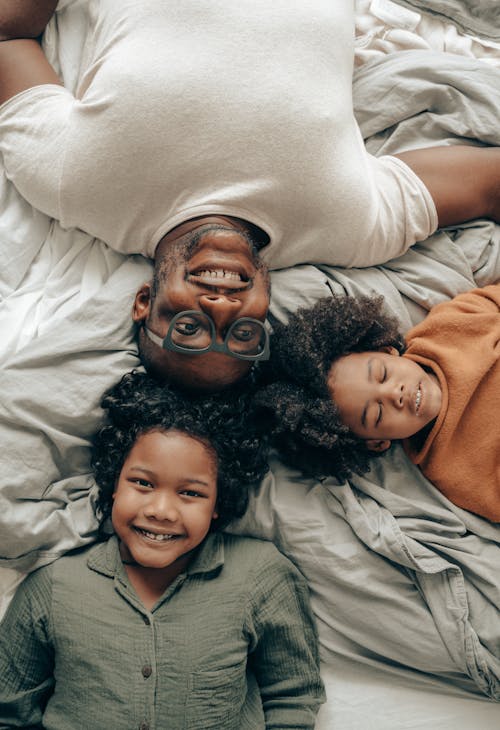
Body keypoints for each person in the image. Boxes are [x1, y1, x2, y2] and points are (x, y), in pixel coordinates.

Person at [1, 1, 500, 391]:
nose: (221, 306)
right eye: (242, 335)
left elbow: (9, 34)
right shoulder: (353, 227)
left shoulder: (74, 186)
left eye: (189, 327)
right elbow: (489, 184)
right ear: (266, 313)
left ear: (145, 301)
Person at [0, 370, 325, 729]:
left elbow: (293, 698)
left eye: (191, 493)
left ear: (218, 501)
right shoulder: (52, 586)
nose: (161, 511)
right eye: (142, 483)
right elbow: (9, 710)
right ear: (113, 484)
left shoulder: (261, 575)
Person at [255, 286, 500, 521]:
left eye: (383, 374)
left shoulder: (444, 328)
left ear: (386, 350)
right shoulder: (452, 472)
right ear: (377, 443)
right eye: (377, 413)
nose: (395, 394)